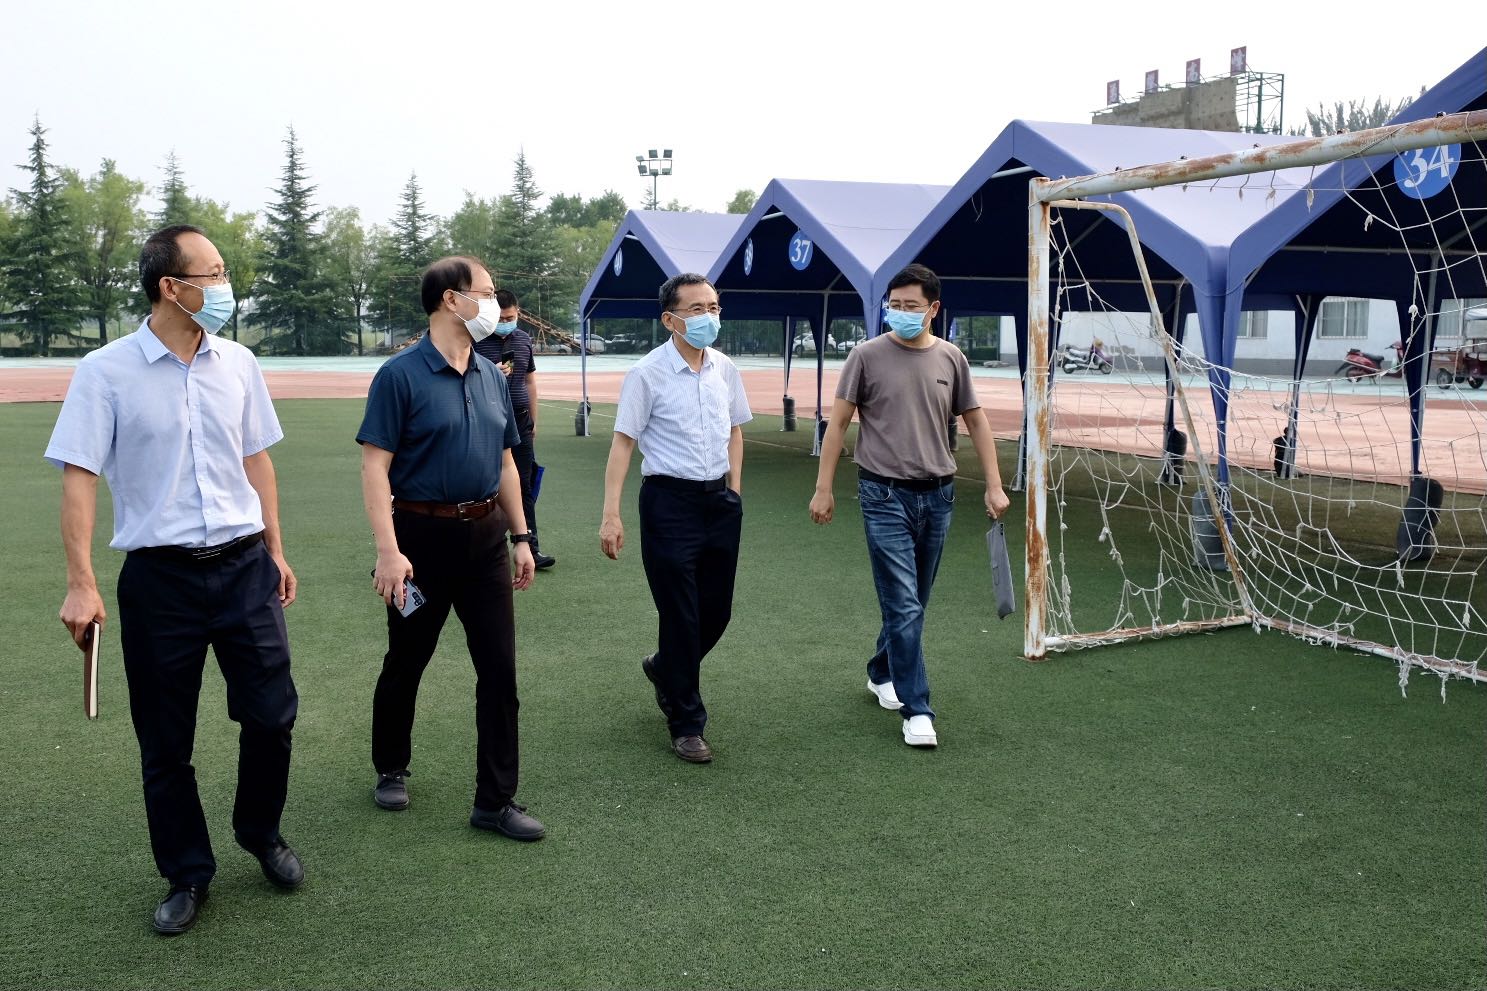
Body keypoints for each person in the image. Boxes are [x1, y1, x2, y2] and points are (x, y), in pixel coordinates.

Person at [46, 224, 303, 936]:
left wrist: (276, 550)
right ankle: (187, 872)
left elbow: (256, 460)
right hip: (160, 581)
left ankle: (260, 830)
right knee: (165, 741)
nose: (225, 286)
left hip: (245, 567)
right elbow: (79, 477)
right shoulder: (105, 371)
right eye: (213, 273)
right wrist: (81, 582)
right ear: (171, 286)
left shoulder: (239, 363)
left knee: (272, 715)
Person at [357, 255, 544, 841]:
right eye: (484, 292)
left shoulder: (491, 374)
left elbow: (506, 461)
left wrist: (521, 537)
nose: (494, 303)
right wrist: (388, 552)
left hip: (486, 539)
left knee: (499, 671)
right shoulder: (400, 375)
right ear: (450, 299)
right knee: (407, 659)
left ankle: (495, 801)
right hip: (419, 543)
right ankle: (391, 766)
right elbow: (375, 467)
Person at [809, 263, 1011, 749]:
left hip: (939, 495)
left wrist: (994, 485)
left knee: (914, 600)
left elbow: (977, 422)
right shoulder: (865, 356)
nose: (899, 313)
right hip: (882, 495)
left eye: (910, 306)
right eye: (893, 305)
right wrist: (823, 488)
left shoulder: (952, 358)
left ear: (933, 309)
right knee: (903, 603)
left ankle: (882, 670)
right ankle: (917, 709)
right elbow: (838, 424)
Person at [600, 273, 752, 764]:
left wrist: (734, 491)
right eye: (697, 309)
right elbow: (624, 442)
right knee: (681, 614)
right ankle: (687, 723)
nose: (709, 317)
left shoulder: (725, 368)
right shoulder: (646, 373)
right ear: (670, 319)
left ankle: (665, 666)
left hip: (719, 503)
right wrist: (611, 515)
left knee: (717, 612)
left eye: (714, 307)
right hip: (668, 505)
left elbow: (735, 431)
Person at [472, 289, 554, 570]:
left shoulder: (523, 339)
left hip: (519, 420)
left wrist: (533, 420)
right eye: (501, 319)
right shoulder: (475, 340)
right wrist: (490, 373)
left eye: (511, 318)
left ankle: (530, 545)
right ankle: (484, 547)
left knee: (524, 483)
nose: (506, 323)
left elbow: (530, 382)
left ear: (518, 313)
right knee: (485, 484)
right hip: (486, 421)